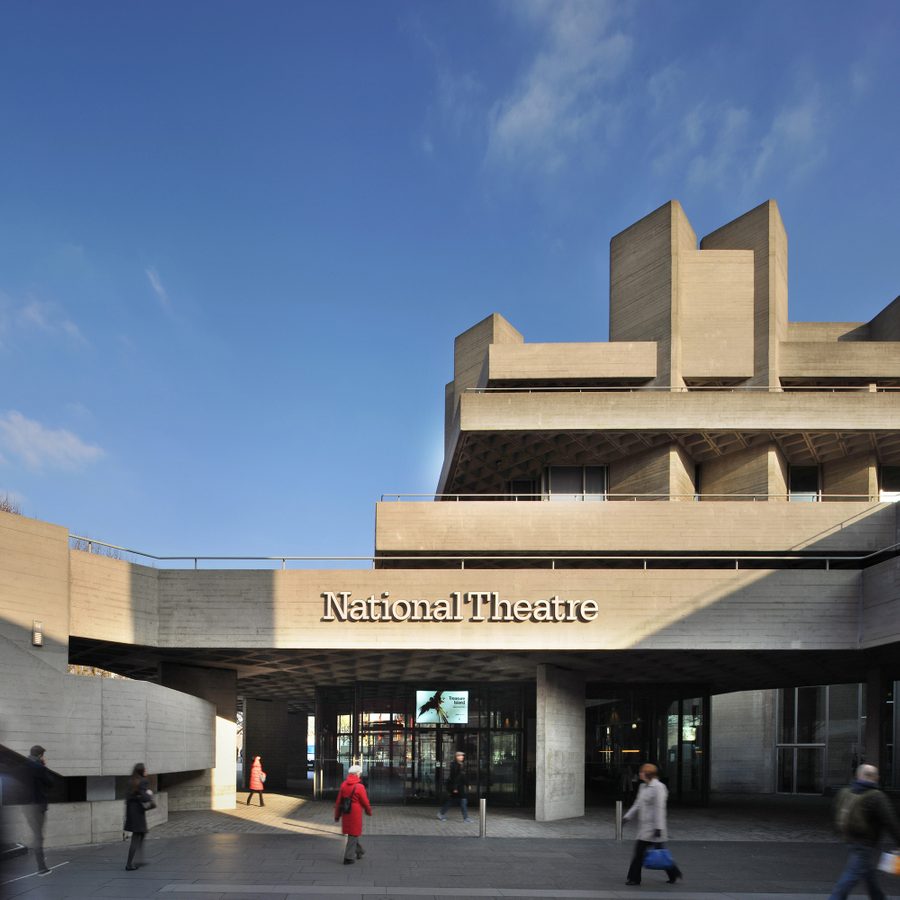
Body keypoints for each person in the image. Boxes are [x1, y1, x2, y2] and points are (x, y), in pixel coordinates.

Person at [828, 763, 900, 900]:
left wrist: (838, 832)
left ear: (858, 776)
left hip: (849, 838)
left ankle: (878, 897)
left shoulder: (845, 792)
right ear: (876, 778)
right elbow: (890, 821)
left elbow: (833, 813)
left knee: (867, 871)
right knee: (851, 876)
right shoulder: (876, 796)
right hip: (866, 842)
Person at [623, 762, 682, 886]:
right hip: (645, 827)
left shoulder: (659, 787)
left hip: (655, 828)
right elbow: (637, 804)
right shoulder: (643, 787)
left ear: (648, 774)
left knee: (645, 853)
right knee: (657, 852)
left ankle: (634, 878)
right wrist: (627, 817)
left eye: (642, 772)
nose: (640, 774)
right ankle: (674, 873)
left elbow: (659, 808)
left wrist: (659, 827)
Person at [334, 764, 372, 865]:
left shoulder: (344, 785)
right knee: (353, 834)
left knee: (352, 833)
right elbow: (365, 801)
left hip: (346, 812)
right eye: (360, 773)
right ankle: (348, 858)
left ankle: (360, 851)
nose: (360, 775)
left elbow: (339, 801)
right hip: (355, 813)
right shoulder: (359, 787)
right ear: (357, 774)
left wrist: (337, 815)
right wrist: (368, 811)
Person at [25, 745, 53, 876]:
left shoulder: (23, 765)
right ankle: (41, 867)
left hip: (26, 806)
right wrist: (44, 767)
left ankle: (38, 855)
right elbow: (50, 782)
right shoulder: (39, 768)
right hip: (38, 806)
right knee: (38, 836)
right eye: (43, 755)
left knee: (36, 834)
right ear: (40, 755)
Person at [123, 763, 154, 871]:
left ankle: (137, 860)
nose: (146, 771)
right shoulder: (142, 781)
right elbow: (145, 797)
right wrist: (149, 794)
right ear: (141, 771)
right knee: (136, 838)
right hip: (138, 813)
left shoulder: (131, 781)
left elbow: (128, 798)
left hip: (132, 812)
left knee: (141, 834)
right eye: (145, 769)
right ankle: (129, 864)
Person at [437, 750, 473, 823]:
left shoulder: (461, 764)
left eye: (462, 755)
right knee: (462, 801)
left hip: (460, 786)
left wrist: (467, 784)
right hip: (456, 786)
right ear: (456, 757)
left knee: (454, 801)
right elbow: (454, 777)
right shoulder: (454, 765)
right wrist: (455, 788)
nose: (462, 757)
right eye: (460, 756)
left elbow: (463, 776)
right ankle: (465, 818)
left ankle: (441, 813)